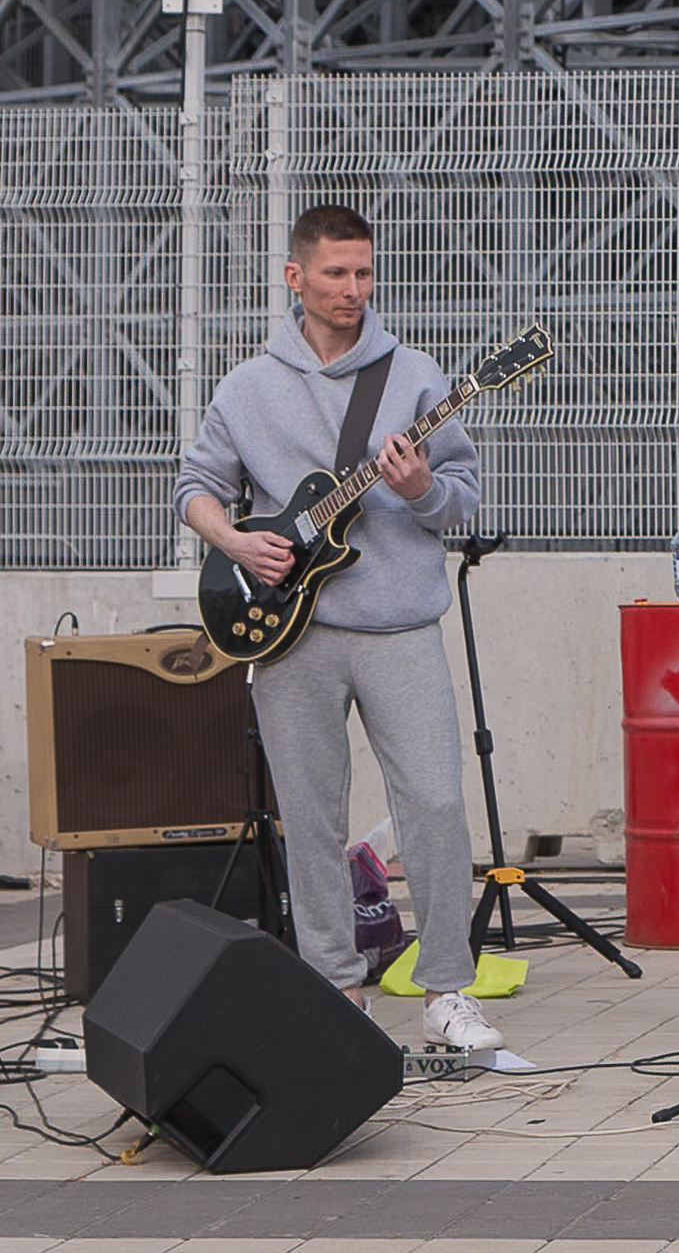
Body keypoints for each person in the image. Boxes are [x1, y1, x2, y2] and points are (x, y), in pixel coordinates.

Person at [174, 204, 505, 1052]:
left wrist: (422, 486)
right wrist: (235, 538)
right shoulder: (247, 387)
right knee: (312, 816)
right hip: (289, 636)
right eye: (335, 273)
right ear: (295, 277)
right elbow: (196, 486)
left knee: (433, 802)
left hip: (397, 625)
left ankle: (446, 991)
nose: (353, 289)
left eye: (363, 273)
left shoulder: (420, 377)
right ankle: (333, 987)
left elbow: (462, 504)